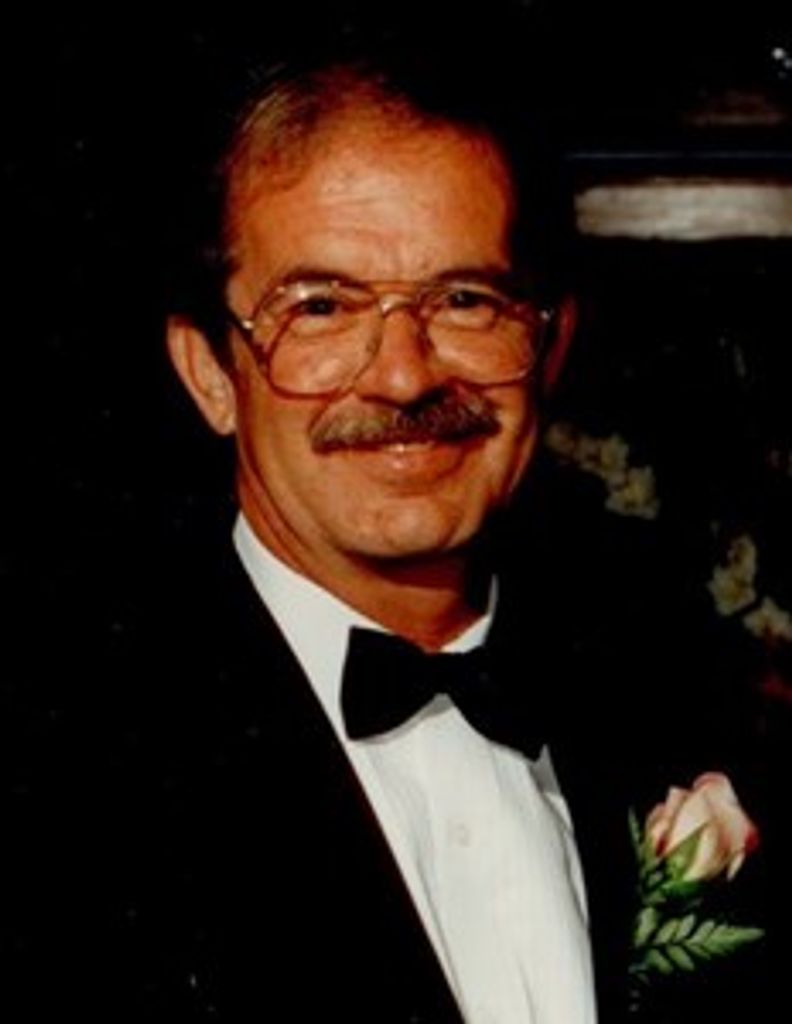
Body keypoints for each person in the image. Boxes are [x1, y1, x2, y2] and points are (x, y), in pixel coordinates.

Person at [4, 15, 770, 1024]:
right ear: (210, 373)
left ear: (550, 345)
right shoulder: (66, 779)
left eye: (466, 300)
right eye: (320, 308)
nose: (405, 376)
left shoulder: (689, 703)